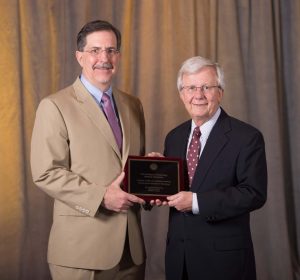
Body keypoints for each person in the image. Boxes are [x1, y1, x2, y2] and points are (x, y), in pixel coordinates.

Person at [30, 20, 146, 280]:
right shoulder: (55, 106)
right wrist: (102, 197)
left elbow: (130, 168)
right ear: (79, 56)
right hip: (81, 252)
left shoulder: (133, 105)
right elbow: (46, 173)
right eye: (95, 51)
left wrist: (153, 176)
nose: (104, 58)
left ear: (118, 56)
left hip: (132, 250)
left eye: (111, 50)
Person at [150, 56, 267, 280]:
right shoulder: (174, 137)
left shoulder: (247, 137)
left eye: (206, 87)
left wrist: (195, 202)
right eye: (191, 87)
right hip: (179, 258)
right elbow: (172, 189)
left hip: (224, 262)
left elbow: (254, 194)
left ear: (220, 92)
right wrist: (155, 174)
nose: (198, 95)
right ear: (181, 94)